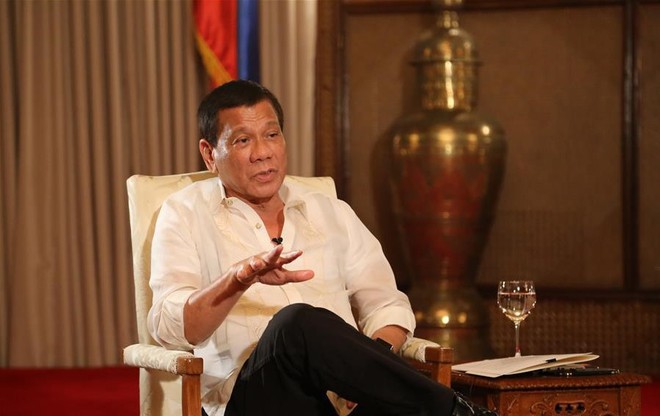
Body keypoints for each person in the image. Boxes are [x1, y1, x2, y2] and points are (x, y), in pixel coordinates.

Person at [148, 79, 497, 416]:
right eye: (242, 140)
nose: (263, 153)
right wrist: (237, 280)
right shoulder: (185, 213)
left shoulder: (331, 212)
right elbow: (170, 328)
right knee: (295, 324)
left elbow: (387, 305)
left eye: (272, 135)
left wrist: (364, 371)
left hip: (344, 402)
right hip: (252, 400)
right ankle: (457, 411)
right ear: (209, 154)